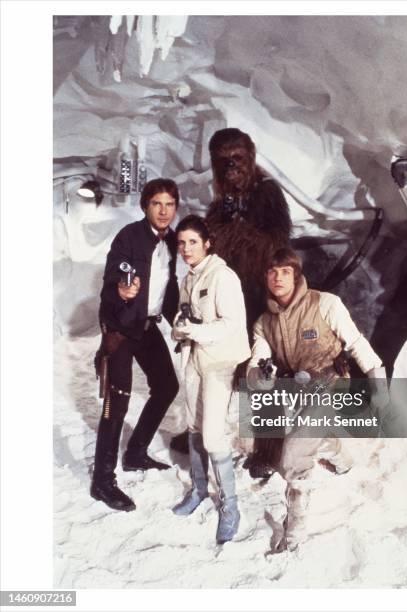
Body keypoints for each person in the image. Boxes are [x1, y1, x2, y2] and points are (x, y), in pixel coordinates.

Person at [247, 248, 388, 551]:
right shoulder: (263, 323)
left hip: (332, 382)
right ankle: (341, 459)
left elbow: (356, 342)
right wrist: (262, 375)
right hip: (300, 389)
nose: (278, 278)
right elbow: (256, 365)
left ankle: (295, 530)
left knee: (294, 455)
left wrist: (378, 381)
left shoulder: (325, 303)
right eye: (272, 272)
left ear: (296, 275)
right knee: (310, 434)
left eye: (285, 271)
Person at [171, 128, 292, 480]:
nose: (231, 168)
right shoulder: (218, 206)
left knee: (264, 372)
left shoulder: (268, 194)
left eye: (237, 159)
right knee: (211, 367)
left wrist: (236, 226)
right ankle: (201, 429)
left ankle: (269, 450)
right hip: (227, 304)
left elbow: (278, 248)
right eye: (223, 162)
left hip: (260, 298)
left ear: (250, 157)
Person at [90, 178, 180, 512]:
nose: (163, 210)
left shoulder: (171, 242)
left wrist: (180, 325)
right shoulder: (129, 236)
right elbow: (112, 279)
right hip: (122, 327)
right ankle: (102, 482)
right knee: (117, 402)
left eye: (169, 204)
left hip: (147, 324)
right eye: (157, 203)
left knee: (167, 385)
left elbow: (167, 290)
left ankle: (135, 453)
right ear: (145, 206)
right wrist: (121, 291)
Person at [170, 215, 250, 544]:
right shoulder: (189, 278)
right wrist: (180, 326)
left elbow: (232, 323)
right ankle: (200, 489)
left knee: (214, 435)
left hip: (220, 361)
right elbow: (183, 315)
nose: (186, 249)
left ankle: (230, 507)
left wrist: (195, 330)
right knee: (194, 424)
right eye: (181, 243)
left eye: (192, 242)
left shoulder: (223, 276)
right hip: (195, 359)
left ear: (207, 243)